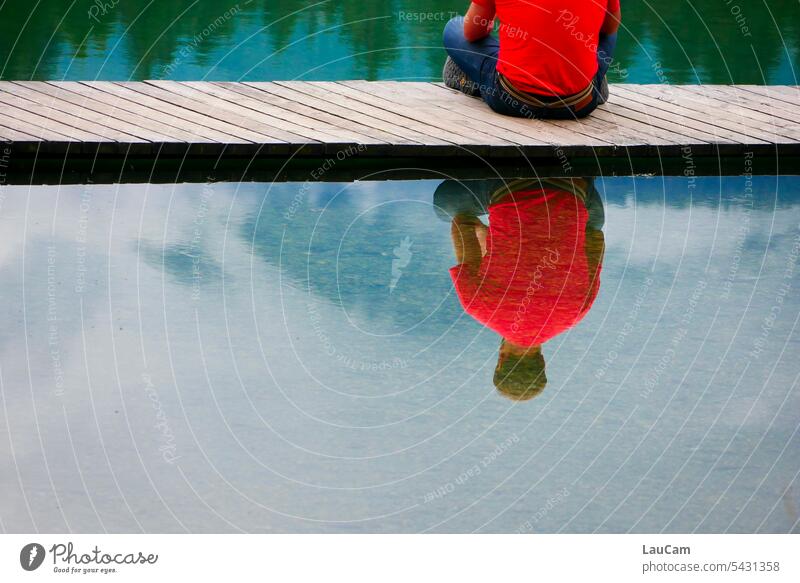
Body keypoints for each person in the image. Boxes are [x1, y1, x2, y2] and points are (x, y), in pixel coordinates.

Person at [437, 177, 605, 400]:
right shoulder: (478, 307)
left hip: (572, 188)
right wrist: (490, 236)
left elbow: (594, 238)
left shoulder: (576, 314)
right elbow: (462, 223)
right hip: (507, 183)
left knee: (594, 222)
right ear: (500, 361)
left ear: (542, 362)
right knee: (444, 205)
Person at [442, 1, 621, 119]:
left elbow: (472, 32)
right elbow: (610, 26)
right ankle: (592, 83)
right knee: (609, 30)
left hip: (511, 101)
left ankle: (475, 81)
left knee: (454, 27)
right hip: (580, 104)